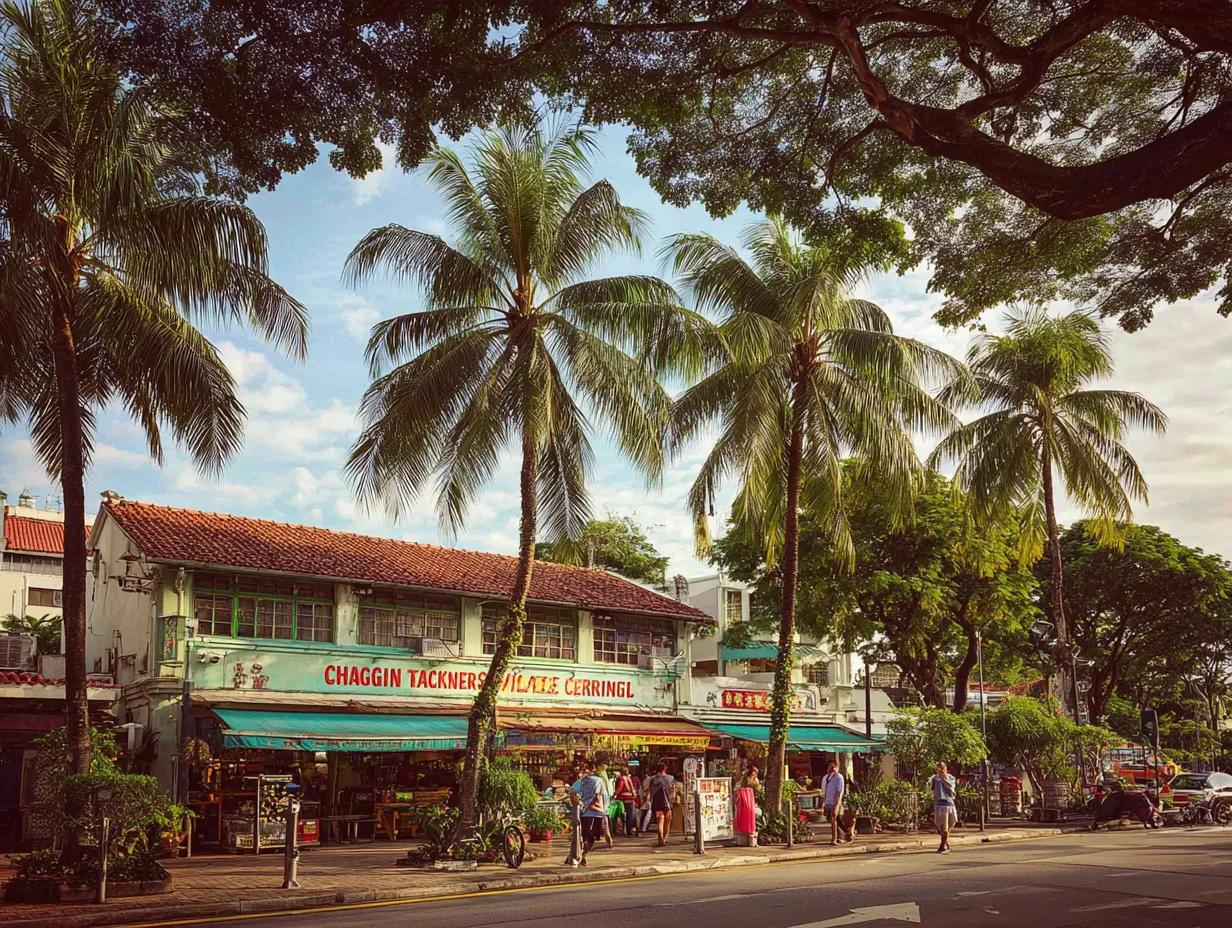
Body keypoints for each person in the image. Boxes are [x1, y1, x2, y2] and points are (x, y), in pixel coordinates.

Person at [570, 760, 610, 867]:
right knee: (593, 838)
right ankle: (583, 855)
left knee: (584, 836)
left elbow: (572, 792)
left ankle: (581, 855)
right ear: (594, 769)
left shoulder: (581, 781)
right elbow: (602, 796)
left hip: (585, 813)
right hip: (597, 813)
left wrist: (577, 804)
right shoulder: (599, 781)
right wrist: (605, 810)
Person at [929, 761, 957, 853]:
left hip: (950, 803)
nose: (941, 769)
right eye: (939, 768)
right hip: (940, 805)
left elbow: (951, 787)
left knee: (950, 825)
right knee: (943, 827)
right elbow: (932, 791)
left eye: (943, 767)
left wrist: (944, 778)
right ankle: (942, 846)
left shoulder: (951, 778)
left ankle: (945, 842)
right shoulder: (935, 779)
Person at [647, 762, 676, 847]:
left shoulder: (652, 779)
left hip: (657, 802)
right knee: (668, 820)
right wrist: (673, 798)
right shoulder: (670, 778)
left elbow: (649, 791)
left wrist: (648, 800)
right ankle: (664, 838)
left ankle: (660, 836)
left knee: (660, 819)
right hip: (667, 801)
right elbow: (672, 790)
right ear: (665, 768)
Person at [821, 759, 847, 846]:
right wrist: (823, 804)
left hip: (835, 802)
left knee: (834, 820)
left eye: (832, 766)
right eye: (829, 766)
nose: (830, 768)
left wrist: (837, 805)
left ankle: (835, 839)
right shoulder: (825, 778)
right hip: (828, 802)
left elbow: (839, 793)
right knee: (833, 820)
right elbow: (823, 792)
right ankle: (842, 836)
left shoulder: (839, 777)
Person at [563, 765, 583, 867]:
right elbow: (572, 793)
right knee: (577, 833)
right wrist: (576, 803)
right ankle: (576, 856)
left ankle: (577, 856)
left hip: (584, 811)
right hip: (580, 810)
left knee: (579, 834)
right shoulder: (579, 783)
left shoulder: (580, 782)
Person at [614, 767, 640, 837]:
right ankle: (631, 830)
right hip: (630, 799)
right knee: (630, 816)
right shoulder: (629, 779)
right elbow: (632, 789)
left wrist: (615, 795)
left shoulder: (621, 779)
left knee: (621, 815)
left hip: (622, 799)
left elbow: (619, 788)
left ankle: (624, 829)